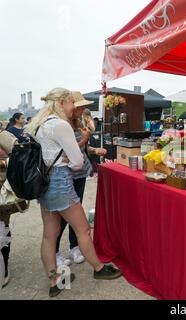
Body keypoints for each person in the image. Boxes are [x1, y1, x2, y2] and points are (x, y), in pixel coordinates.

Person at [26, 88, 122, 298]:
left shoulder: (40, 125)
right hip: (60, 182)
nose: (74, 108)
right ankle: (99, 269)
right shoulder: (61, 125)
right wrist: (71, 159)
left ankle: (55, 281)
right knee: (84, 229)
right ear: (62, 102)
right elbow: (78, 162)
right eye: (72, 103)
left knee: (49, 235)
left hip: (45, 183)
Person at [55, 92, 107, 267]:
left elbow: (82, 149)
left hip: (79, 174)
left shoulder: (77, 123)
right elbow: (63, 153)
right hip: (64, 175)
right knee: (61, 216)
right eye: (81, 107)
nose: (84, 110)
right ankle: (55, 252)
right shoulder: (60, 125)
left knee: (76, 213)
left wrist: (92, 150)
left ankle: (74, 246)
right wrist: (84, 140)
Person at [0, 130, 18, 288]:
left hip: (1, 192)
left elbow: (21, 157)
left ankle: (3, 267)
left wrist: (3, 163)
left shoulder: (3, 136)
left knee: (1, 229)